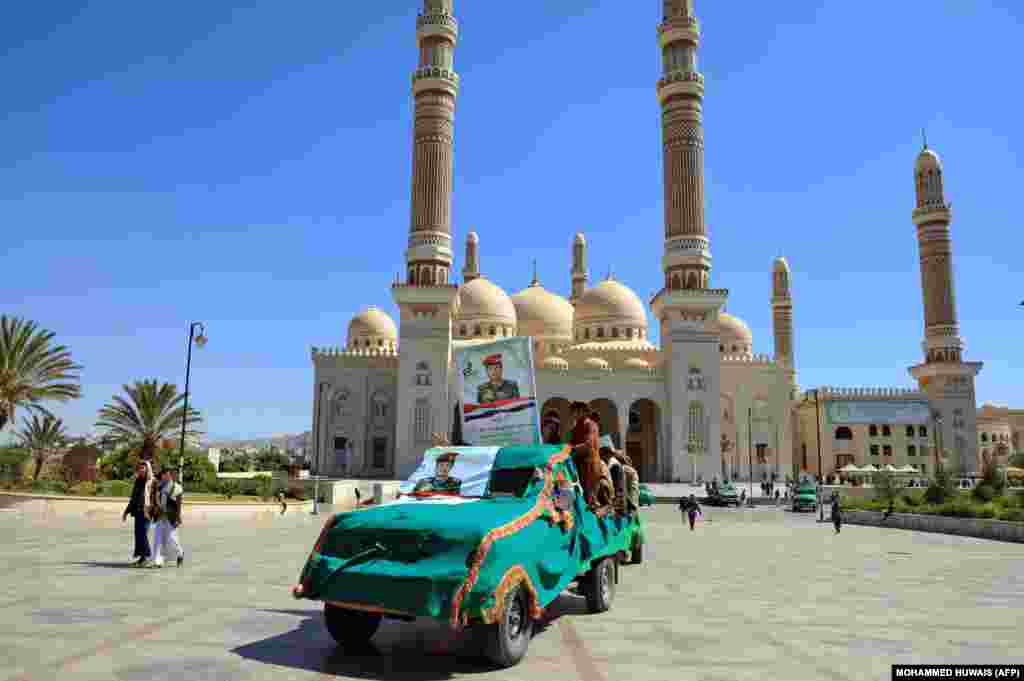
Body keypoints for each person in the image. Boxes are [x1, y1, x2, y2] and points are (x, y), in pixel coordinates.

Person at [568, 401, 612, 511]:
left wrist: (572, 449)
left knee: (589, 495)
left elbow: (589, 444)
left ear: (584, 412)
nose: (576, 413)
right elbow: (571, 443)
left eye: (579, 411)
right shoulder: (575, 428)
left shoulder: (591, 425)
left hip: (589, 465)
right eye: (574, 411)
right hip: (577, 463)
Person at [151, 468, 185, 568]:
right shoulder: (159, 486)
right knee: (158, 539)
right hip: (160, 516)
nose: (164, 476)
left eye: (166, 474)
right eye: (163, 474)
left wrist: (178, 517)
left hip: (171, 517)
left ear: (170, 475)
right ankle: (158, 561)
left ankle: (180, 553)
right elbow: (155, 499)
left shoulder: (177, 487)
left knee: (172, 538)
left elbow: (179, 504)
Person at [123, 461, 155, 567]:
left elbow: (155, 498)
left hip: (147, 511)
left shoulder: (151, 481)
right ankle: (142, 558)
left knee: (143, 534)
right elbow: (133, 497)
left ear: (148, 469)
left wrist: (153, 511)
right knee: (139, 535)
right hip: (138, 511)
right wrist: (126, 511)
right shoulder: (138, 480)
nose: (141, 470)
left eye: (143, 468)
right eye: (140, 468)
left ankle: (147, 557)